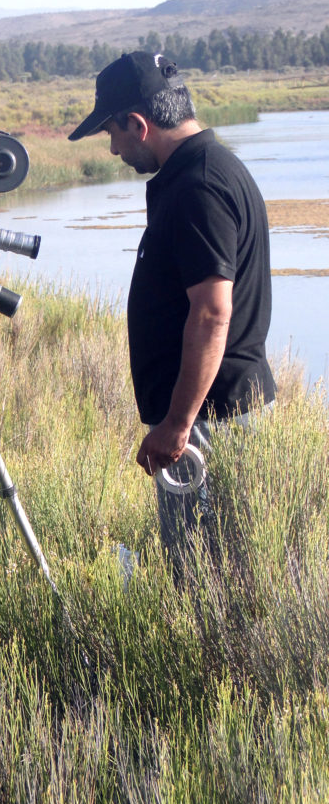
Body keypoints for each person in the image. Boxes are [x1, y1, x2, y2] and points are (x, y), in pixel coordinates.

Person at [68, 51, 276, 571]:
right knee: (222, 572)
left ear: (138, 124)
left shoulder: (197, 185)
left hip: (214, 419)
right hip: (220, 411)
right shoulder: (205, 168)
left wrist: (178, 424)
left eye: (111, 133)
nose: (113, 148)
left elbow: (211, 314)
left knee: (203, 577)